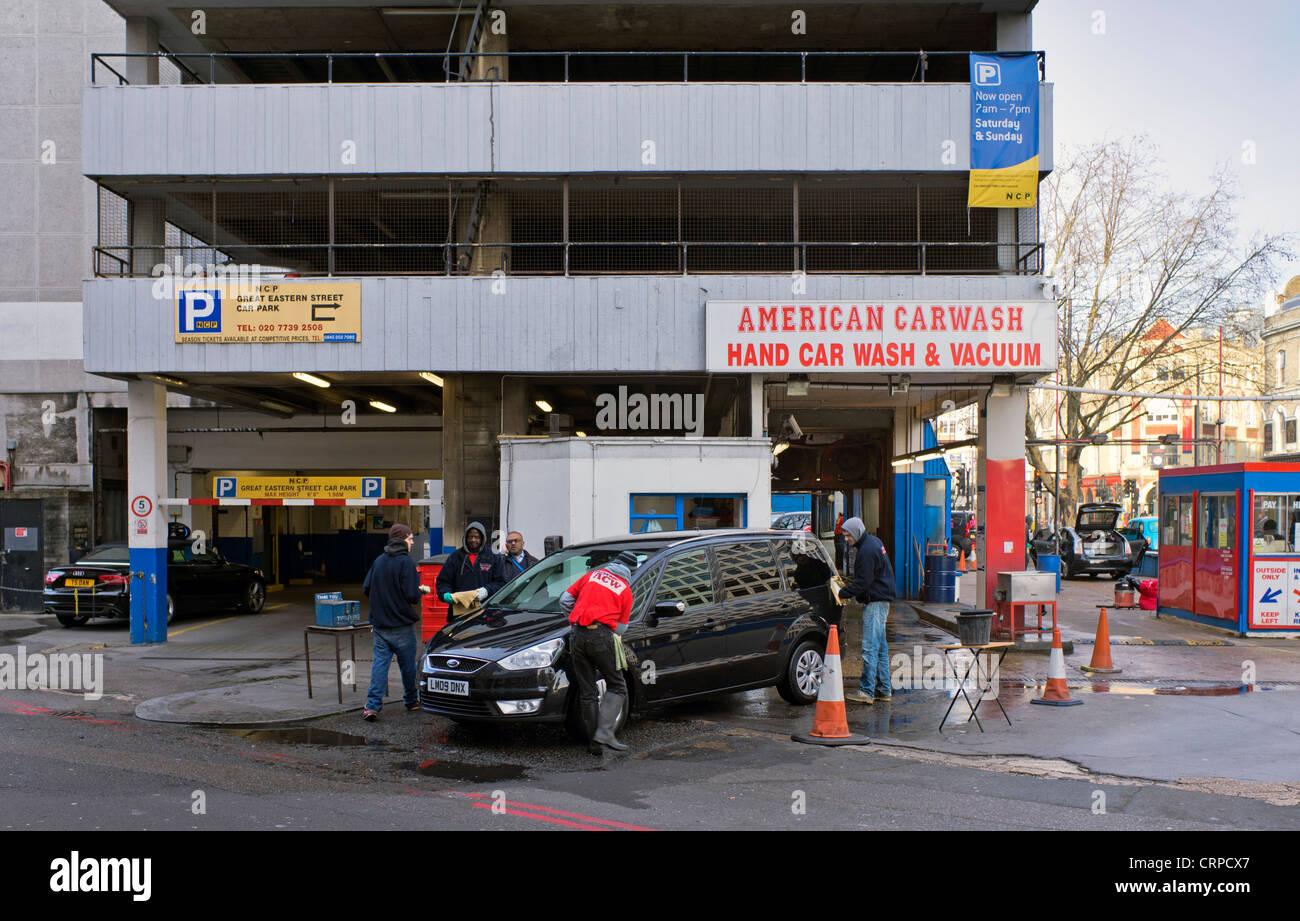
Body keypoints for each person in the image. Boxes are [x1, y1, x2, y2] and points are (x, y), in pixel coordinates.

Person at [560, 550, 639, 754]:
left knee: (588, 691)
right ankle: (603, 734)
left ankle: (593, 742)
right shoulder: (625, 591)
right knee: (617, 685)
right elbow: (620, 629)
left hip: (576, 634)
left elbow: (565, 600)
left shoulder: (591, 576)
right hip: (601, 637)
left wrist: (577, 617)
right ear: (630, 571)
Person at [360, 523, 430, 721]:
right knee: (408, 666)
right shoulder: (406, 563)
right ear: (402, 540)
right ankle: (411, 700)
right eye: (410, 539)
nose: (412, 542)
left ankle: (372, 705)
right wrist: (420, 590)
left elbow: (366, 588)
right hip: (402, 625)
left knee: (380, 665)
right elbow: (411, 595)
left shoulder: (379, 561)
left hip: (381, 626)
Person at [839, 516, 895, 704]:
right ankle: (884, 689)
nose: (846, 539)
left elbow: (863, 583)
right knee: (880, 648)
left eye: (847, 535)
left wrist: (842, 592)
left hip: (875, 603)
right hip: (882, 601)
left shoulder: (866, 551)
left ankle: (866, 691)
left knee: (870, 647)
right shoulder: (874, 543)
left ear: (855, 532)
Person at [435, 521, 503, 620]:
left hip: (485, 612)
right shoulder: (455, 557)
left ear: (482, 538)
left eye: (477, 537)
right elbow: (443, 581)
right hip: (459, 613)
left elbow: (501, 582)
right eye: (470, 537)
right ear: (465, 538)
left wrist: (486, 590)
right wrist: (445, 593)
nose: (473, 540)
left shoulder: (493, 556)